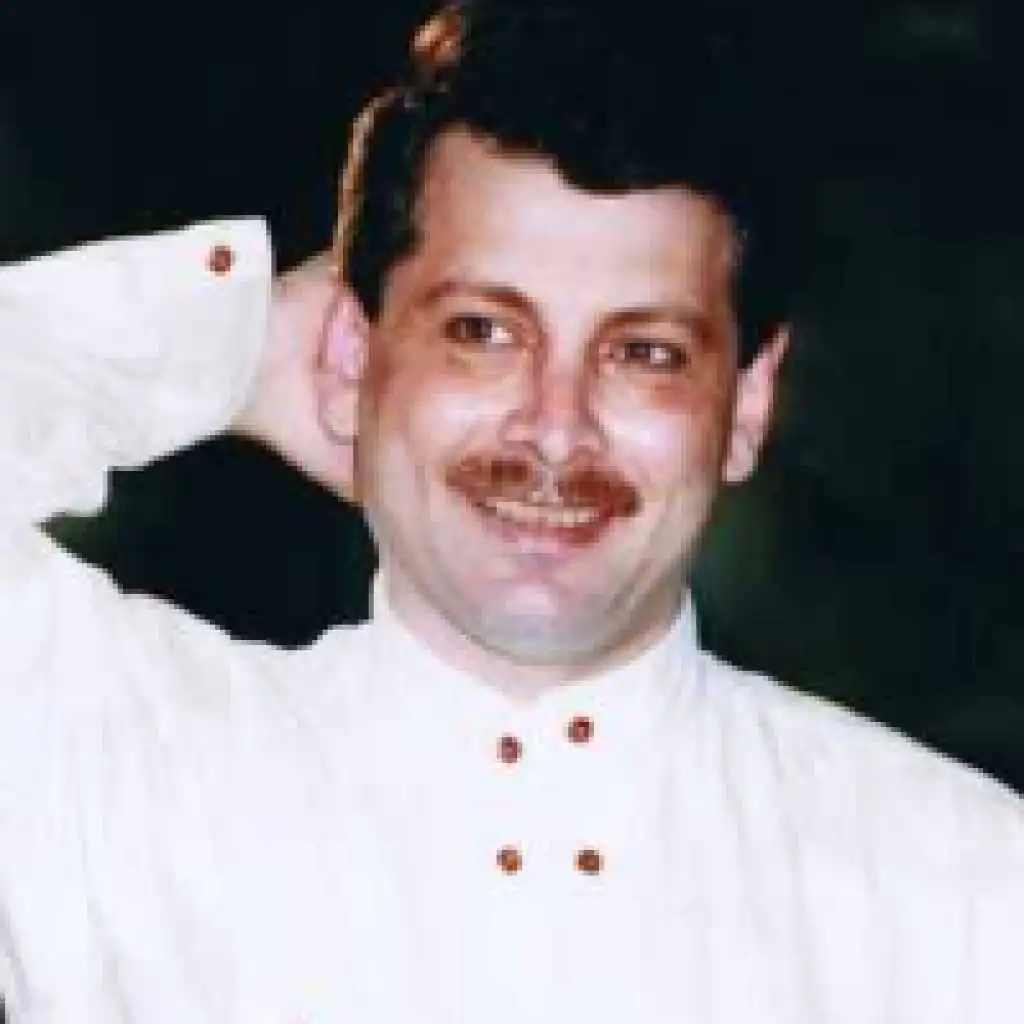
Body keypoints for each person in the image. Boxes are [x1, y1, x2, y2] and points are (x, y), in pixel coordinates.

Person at [0, 3, 1021, 1021]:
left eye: (644, 353)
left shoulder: (962, 889)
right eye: (482, 331)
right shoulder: (122, 773)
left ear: (746, 403)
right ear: (352, 355)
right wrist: (245, 339)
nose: (554, 430)